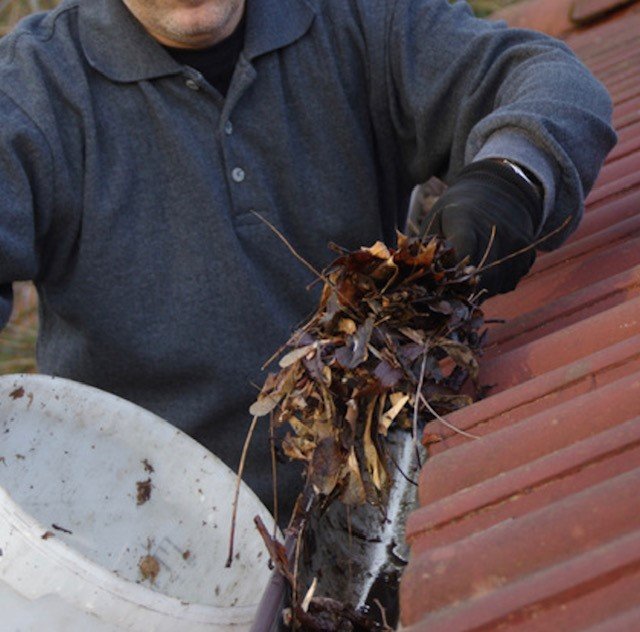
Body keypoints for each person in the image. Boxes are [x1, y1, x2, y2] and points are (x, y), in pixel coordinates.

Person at [0, 0, 616, 524]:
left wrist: (508, 180)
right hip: (137, 538)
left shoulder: (354, 19)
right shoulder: (35, 88)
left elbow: (552, 81)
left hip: (369, 500)